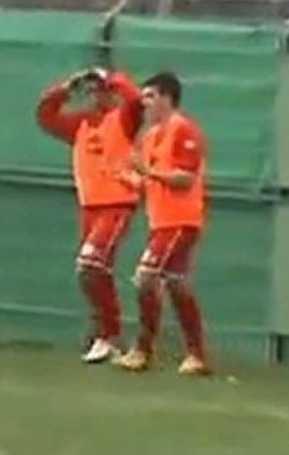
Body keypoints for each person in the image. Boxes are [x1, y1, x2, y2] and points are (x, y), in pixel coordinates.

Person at [36, 67, 144, 364]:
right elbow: (46, 116)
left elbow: (135, 100)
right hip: (89, 207)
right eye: (95, 90)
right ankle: (106, 333)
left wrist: (112, 77)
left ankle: (108, 334)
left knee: (91, 263)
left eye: (104, 90)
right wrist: (66, 87)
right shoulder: (81, 124)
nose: (100, 94)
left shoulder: (123, 119)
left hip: (117, 203)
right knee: (92, 271)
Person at [116, 72, 210, 376]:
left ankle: (143, 349)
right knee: (177, 285)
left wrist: (148, 172)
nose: (145, 104)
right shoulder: (152, 136)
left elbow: (184, 179)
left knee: (146, 277)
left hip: (181, 220)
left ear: (168, 98)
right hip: (161, 221)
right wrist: (131, 179)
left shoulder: (185, 130)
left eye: (150, 97)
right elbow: (151, 180)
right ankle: (196, 354)